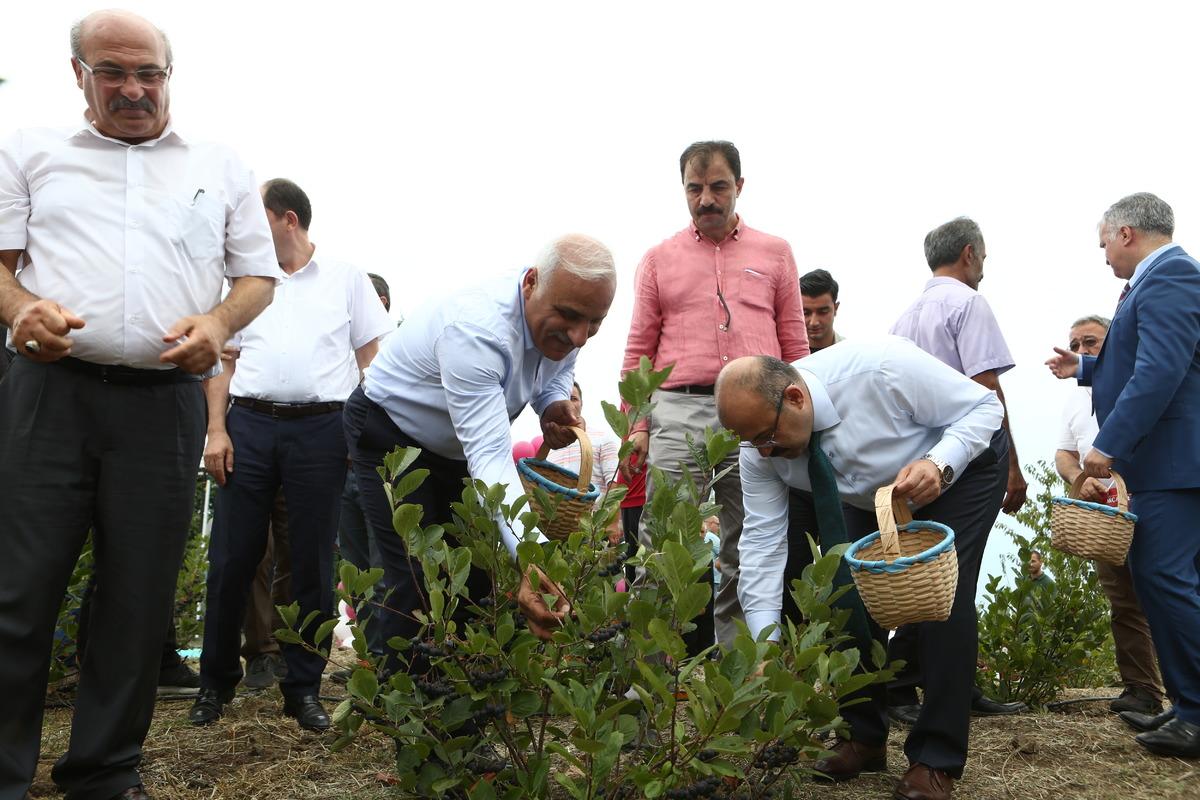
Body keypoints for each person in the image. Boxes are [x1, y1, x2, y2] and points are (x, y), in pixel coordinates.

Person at [0, 10, 277, 799]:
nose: (132, 89)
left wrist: (219, 322)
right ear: (78, 73)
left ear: (168, 76)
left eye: (147, 74)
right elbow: (1, 265)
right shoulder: (29, 151)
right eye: (112, 72)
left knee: (138, 598)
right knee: (19, 590)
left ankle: (103, 770)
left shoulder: (218, 164)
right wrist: (20, 309)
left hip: (163, 407)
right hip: (47, 397)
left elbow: (256, 276)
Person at [717, 339, 1006, 800]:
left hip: (957, 473)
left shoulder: (880, 368)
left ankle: (936, 759)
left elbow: (984, 408)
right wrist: (765, 644)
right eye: (750, 442)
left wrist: (940, 462)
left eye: (766, 438)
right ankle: (863, 737)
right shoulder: (759, 450)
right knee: (843, 590)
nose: (762, 453)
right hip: (866, 496)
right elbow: (762, 546)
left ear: (795, 398)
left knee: (940, 603)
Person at [344, 233, 616, 680]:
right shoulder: (477, 329)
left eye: (594, 323)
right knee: (416, 576)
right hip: (390, 431)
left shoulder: (568, 324)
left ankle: (468, 712)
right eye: (568, 317)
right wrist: (535, 557)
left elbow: (553, 372)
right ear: (530, 283)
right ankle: (418, 727)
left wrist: (552, 404)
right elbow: (490, 457)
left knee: (474, 580)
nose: (578, 336)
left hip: (455, 449)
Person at [190, 179, 391, 732]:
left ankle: (303, 689)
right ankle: (214, 683)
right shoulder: (243, 284)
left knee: (311, 563)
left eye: (257, 219)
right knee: (232, 557)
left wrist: (362, 436)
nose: (245, 230)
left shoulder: (348, 279)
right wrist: (216, 430)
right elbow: (221, 363)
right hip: (248, 425)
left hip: (322, 431)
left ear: (287, 220)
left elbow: (374, 360)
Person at [621, 140, 808, 652]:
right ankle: (646, 686)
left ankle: (740, 677)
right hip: (678, 410)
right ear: (683, 190)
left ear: (739, 187)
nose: (706, 198)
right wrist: (637, 425)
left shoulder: (776, 252)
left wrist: (805, 420)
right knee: (663, 543)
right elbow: (639, 349)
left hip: (757, 417)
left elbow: (795, 343)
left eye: (718, 186)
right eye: (695, 188)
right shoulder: (659, 259)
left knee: (751, 544)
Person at [1046, 192, 1200, 759]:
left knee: (1162, 575)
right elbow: (1151, 359)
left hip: (1174, 462)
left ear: (1127, 233)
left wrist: (1106, 445)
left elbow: (1162, 370)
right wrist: (1086, 367)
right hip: (1171, 461)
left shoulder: (1172, 276)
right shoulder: (1158, 280)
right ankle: (1187, 705)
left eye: (1105, 240)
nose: (1104, 253)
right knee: (1165, 578)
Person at [888, 216, 1028, 723]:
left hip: (927, 461)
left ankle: (927, 684)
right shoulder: (969, 303)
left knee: (940, 573)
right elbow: (985, 389)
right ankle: (912, 686)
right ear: (969, 253)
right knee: (954, 577)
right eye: (984, 258)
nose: (983, 268)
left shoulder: (905, 319)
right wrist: (1010, 462)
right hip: (970, 458)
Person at [1053, 313, 1164, 715]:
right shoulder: (1074, 398)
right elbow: (1065, 453)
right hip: (1104, 514)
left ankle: (1184, 694)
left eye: (1090, 343)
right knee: (1123, 600)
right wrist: (1079, 478)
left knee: (1168, 591)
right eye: (1076, 343)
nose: (1080, 350)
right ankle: (1142, 690)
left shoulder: (1132, 383)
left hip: (1152, 499)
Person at [332, 272, 395, 682]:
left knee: (384, 566)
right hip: (341, 472)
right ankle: (369, 657)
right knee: (355, 567)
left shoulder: (397, 352)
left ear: (384, 303)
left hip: (381, 474)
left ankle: (389, 660)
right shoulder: (337, 355)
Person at [800, 268, 843, 351]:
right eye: (805, 313)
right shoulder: (780, 356)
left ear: (836, 308)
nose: (814, 322)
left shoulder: (851, 355)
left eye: (823, 312)